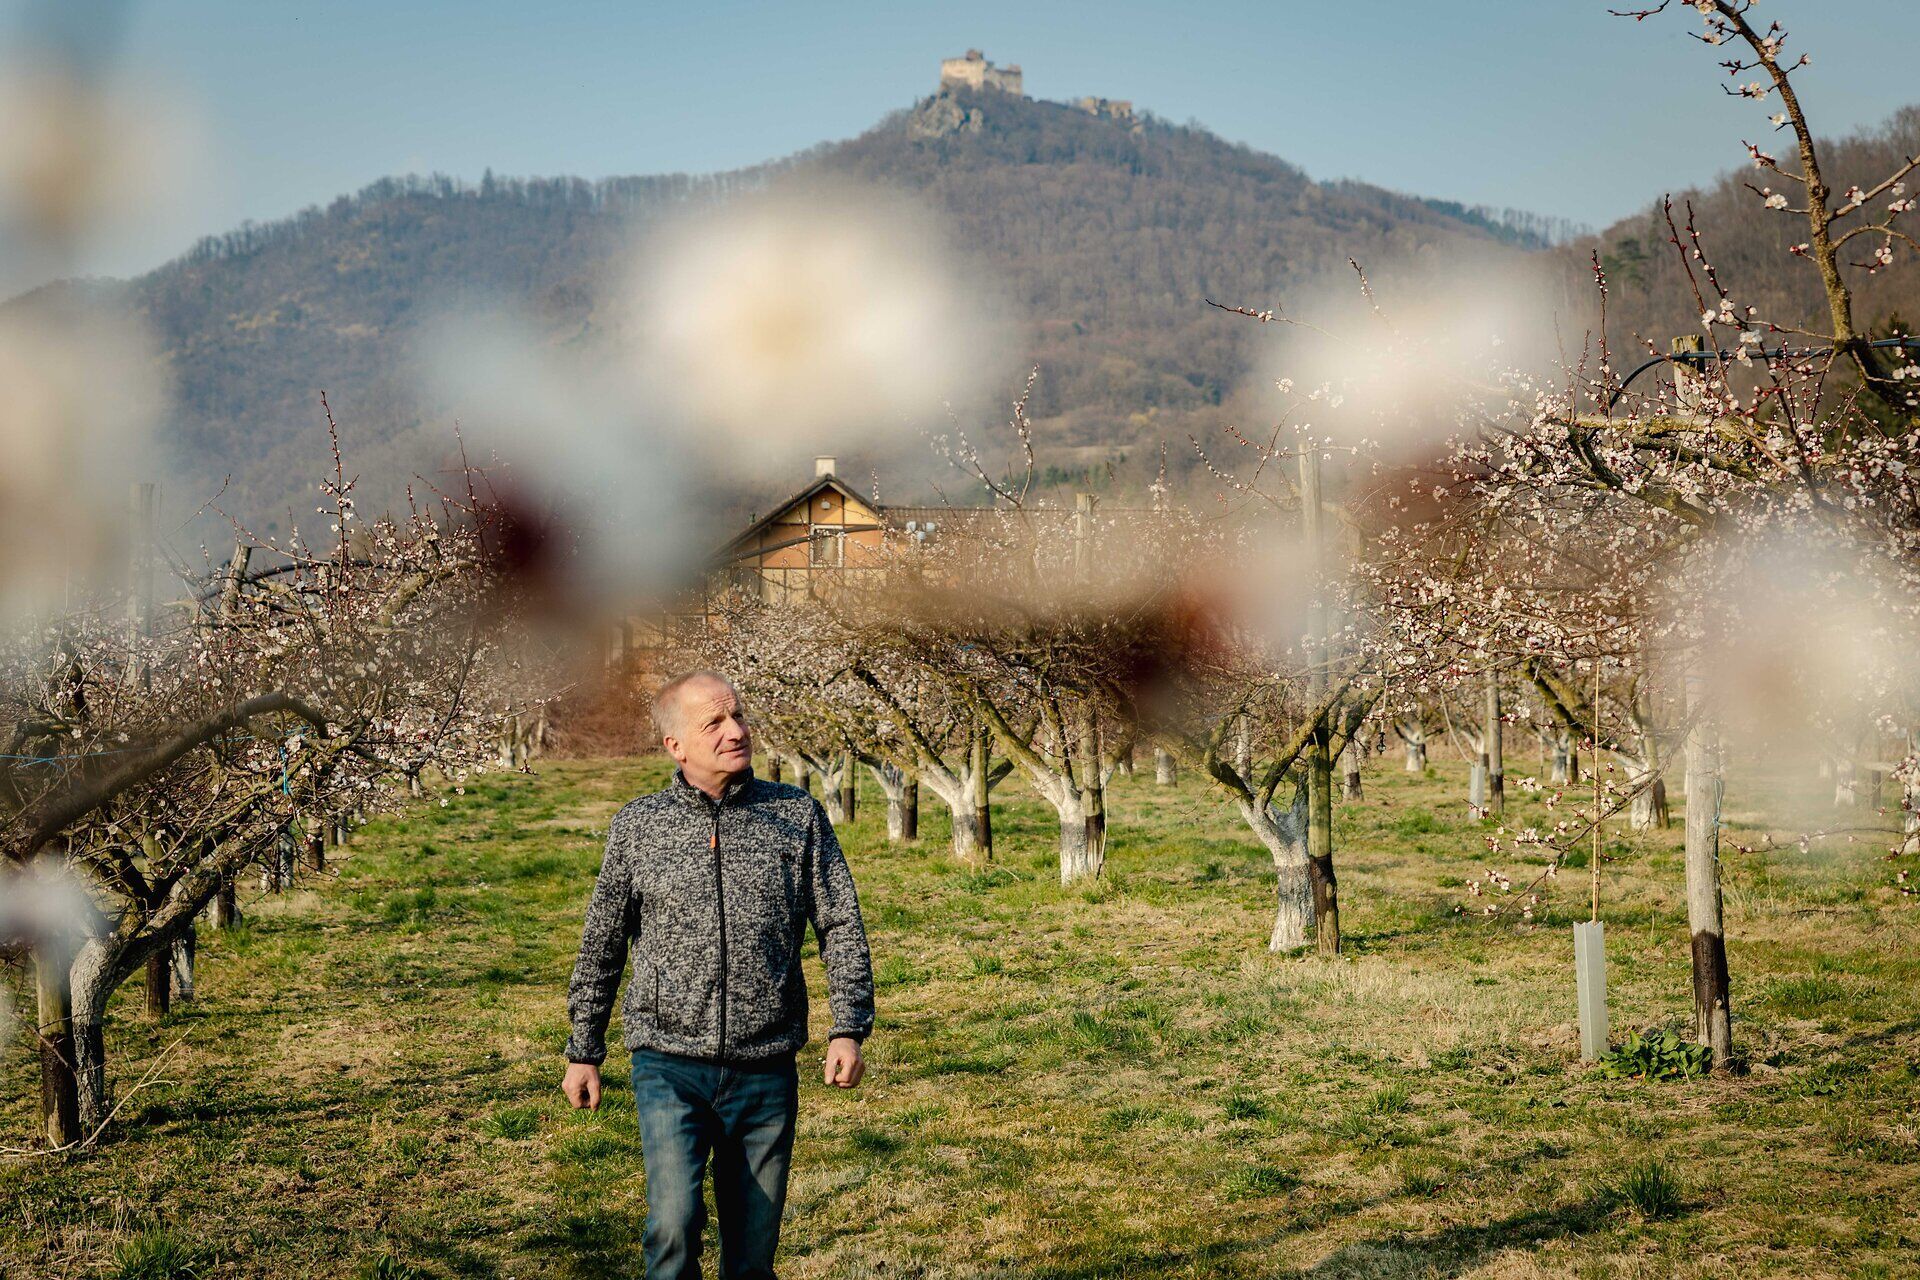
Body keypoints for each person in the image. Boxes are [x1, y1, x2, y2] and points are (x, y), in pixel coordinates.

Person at [561, 670, 875, 1280]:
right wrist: (584, 1048)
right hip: (668, 1063)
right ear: (675, 746)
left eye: (738, 716)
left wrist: (848, 1028)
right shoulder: (639, 826)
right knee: (673, 1229)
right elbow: (603, 940)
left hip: (766, 1066)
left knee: (752, 1258)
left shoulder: (796, 816)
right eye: (714, 723)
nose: (736, 731)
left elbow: (840, 922)